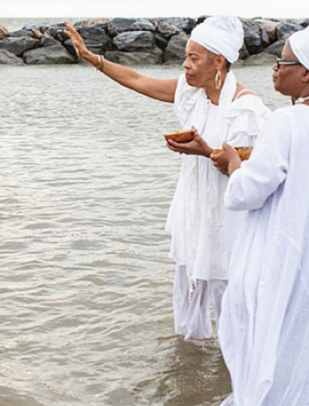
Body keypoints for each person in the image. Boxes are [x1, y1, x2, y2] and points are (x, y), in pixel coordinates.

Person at [64, 16, 271, 340]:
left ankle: (235, 379)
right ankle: (188, 371)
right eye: (186, 56)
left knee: (232, 307)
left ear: (218, 62)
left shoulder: (246, 109)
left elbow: (248, 172)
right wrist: (93, 59)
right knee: (187, 301)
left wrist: (204, 152)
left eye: (193, 58)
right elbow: (138, 80)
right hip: (193, 213)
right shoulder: (194, 93)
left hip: (228, 222)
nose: (185, 65)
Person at [211, 22, 309, 406]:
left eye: (283, 61)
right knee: (304, 354)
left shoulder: (287, 121)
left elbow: (246, 193)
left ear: (308, 71)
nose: (275, 69)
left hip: (284, 264)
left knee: (263, 348)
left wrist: (232, 164)